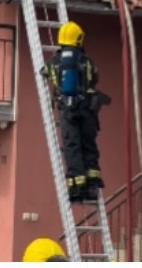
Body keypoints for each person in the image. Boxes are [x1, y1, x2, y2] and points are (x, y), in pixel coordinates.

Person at [42, 21, 103, 203]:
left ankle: (76, 187)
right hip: (87, 110)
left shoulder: (54, 62)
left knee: (72, 147)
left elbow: (44, 73)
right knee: (88, 145)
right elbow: (95, 79)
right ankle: (92, 184)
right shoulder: (87, 62)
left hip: (67, 111)